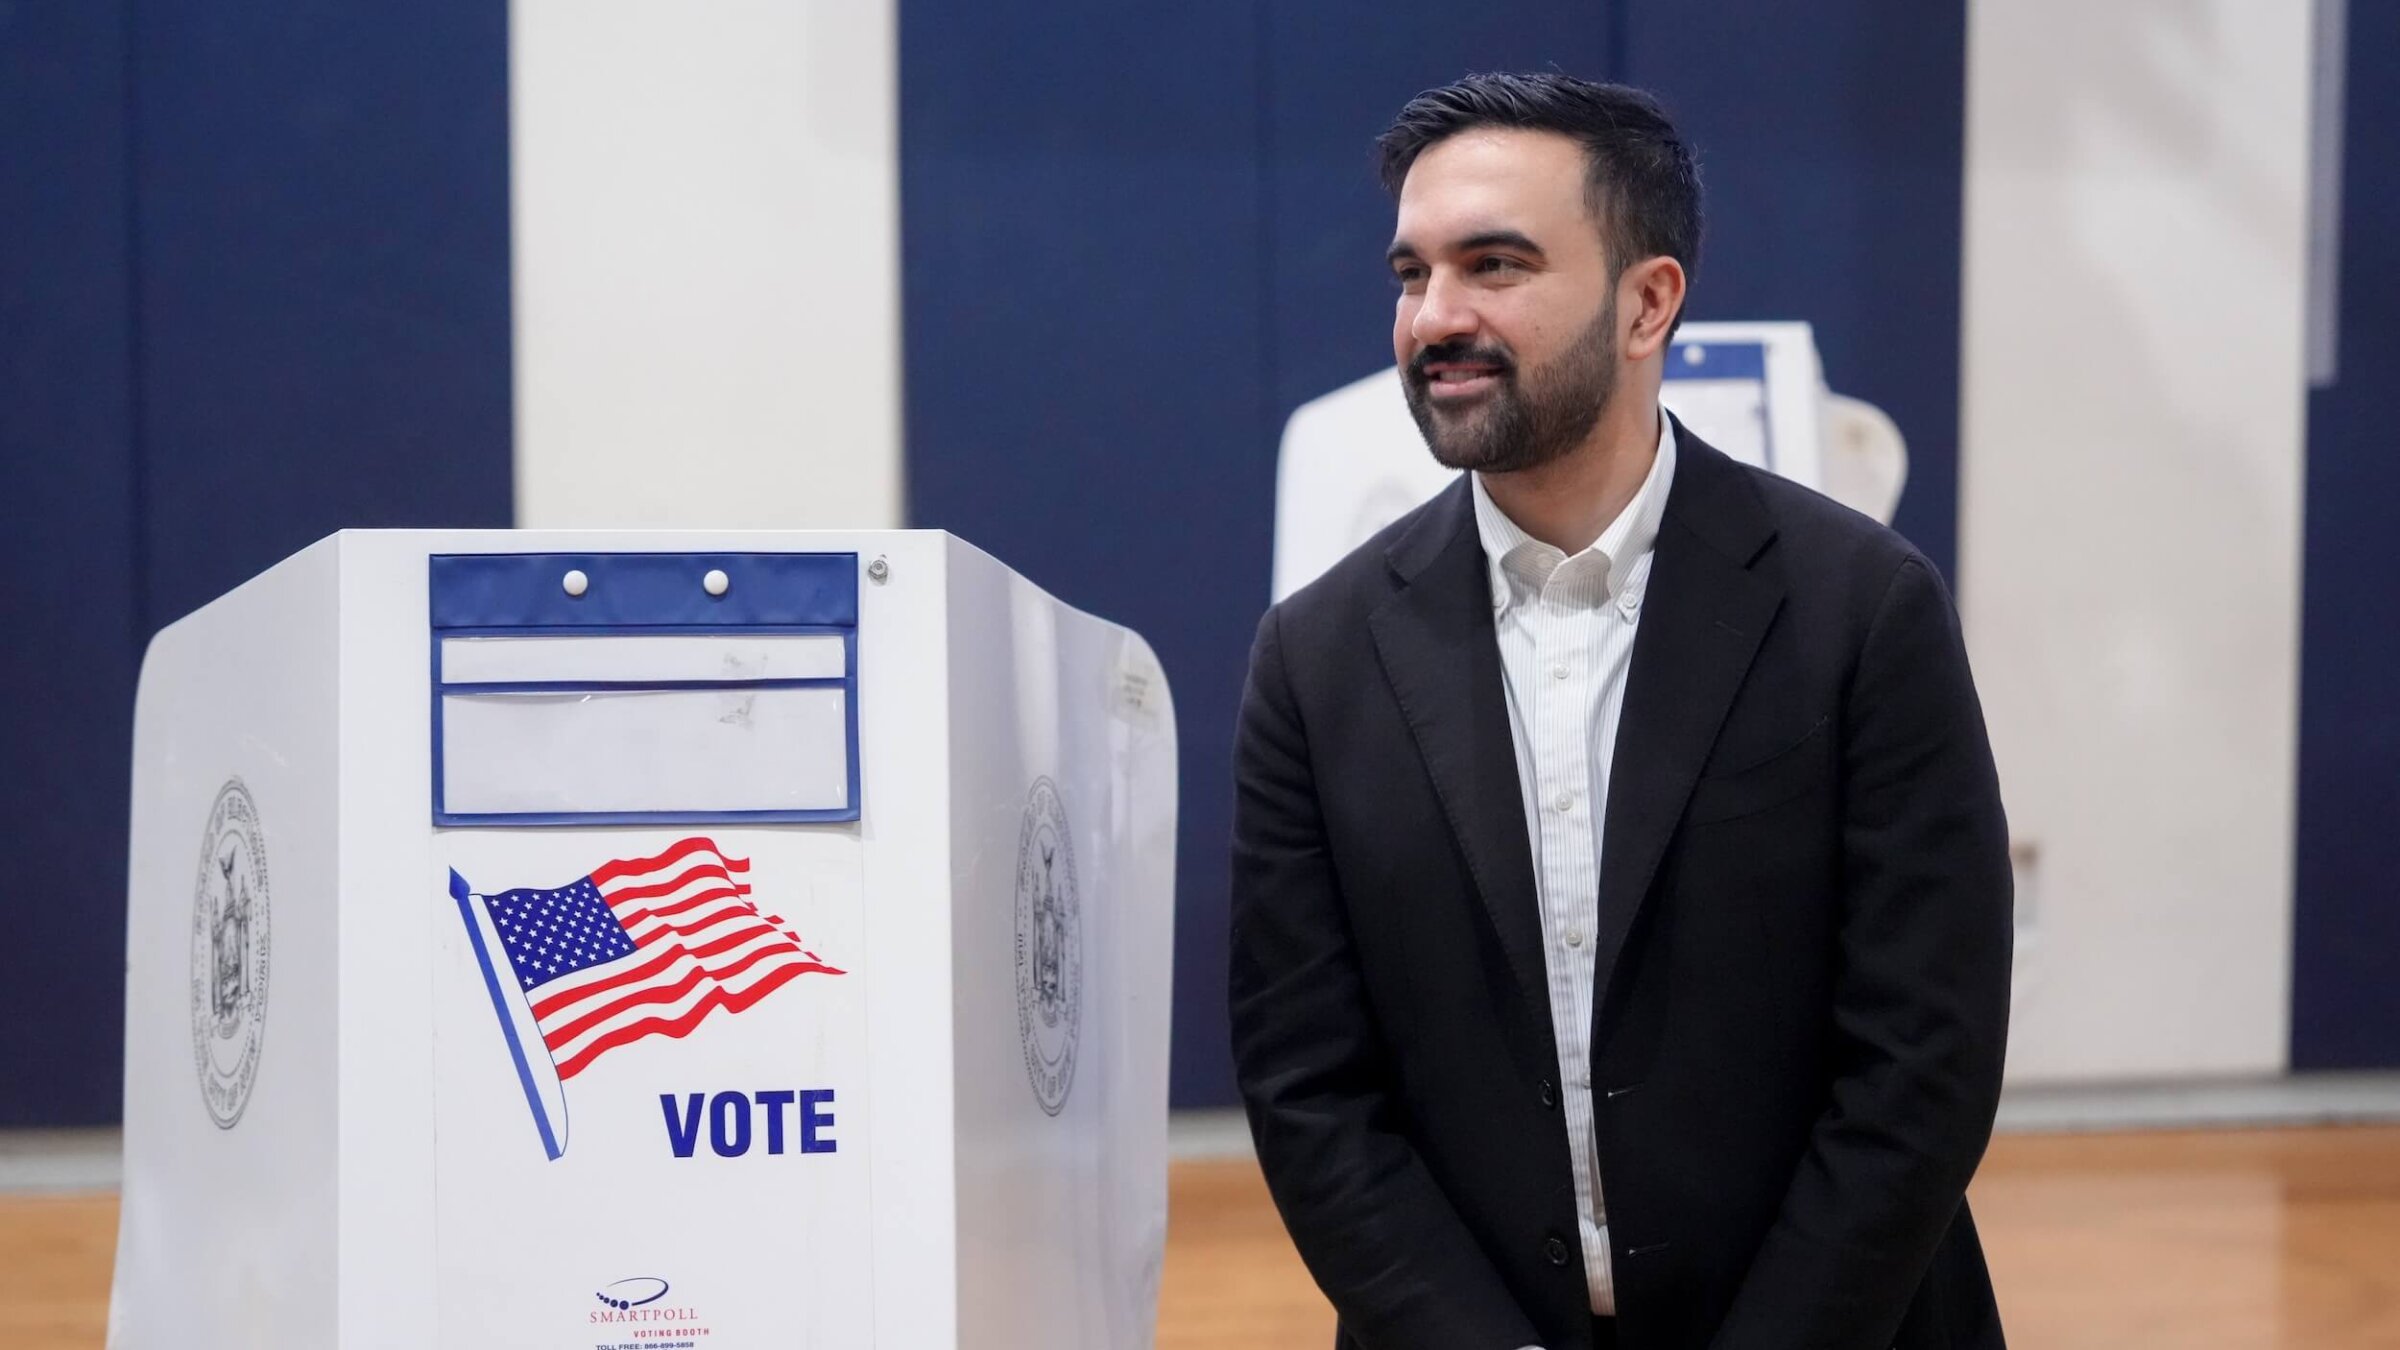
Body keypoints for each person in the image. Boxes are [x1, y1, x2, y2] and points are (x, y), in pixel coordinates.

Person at [1228, 72, 2012, 1350]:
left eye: (1494, 264)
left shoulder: (1862, 608)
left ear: (1649, 301)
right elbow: (1309, 1088)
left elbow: (1925, 1059)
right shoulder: (1315, 659)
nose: (1437, 317)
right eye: (1411, 274)